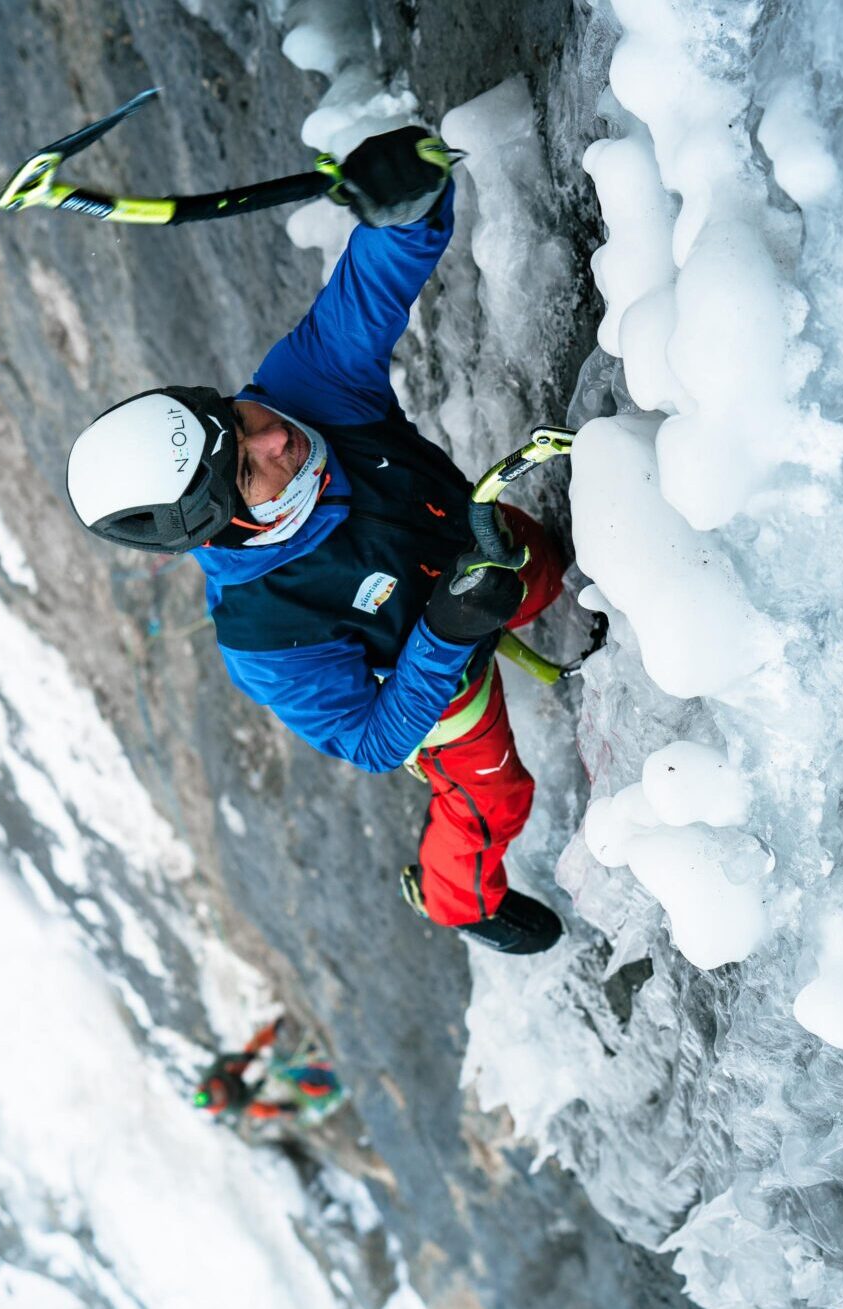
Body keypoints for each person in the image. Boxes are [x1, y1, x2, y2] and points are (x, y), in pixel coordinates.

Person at [67, 127, 565, 954]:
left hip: (468, 540)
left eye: (238, 420)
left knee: (548, 565)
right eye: (248, 471)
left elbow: (373, 283)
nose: (275, 439)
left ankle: (540, 603)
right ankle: (456, 900)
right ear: (226, 523)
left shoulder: (306, 387)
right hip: (434, 683)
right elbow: (372, 738)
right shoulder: (264, 634)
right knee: (493, 798)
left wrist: (406, 204)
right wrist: (447, 632)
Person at [193, 1020, 341, 1125]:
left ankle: (273, 1030)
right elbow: (247, 1099)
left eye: (214, 1090)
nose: (218, 1092)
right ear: (220, 1102)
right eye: (217, 1096)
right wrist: (259, 1085)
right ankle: (284, 1108)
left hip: (232, 1075)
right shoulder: (233, 1107)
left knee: (251, 1048)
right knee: (260, 1110)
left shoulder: (211, 1076)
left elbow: (223, 1059)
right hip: (242, 1093)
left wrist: (243, 1057)